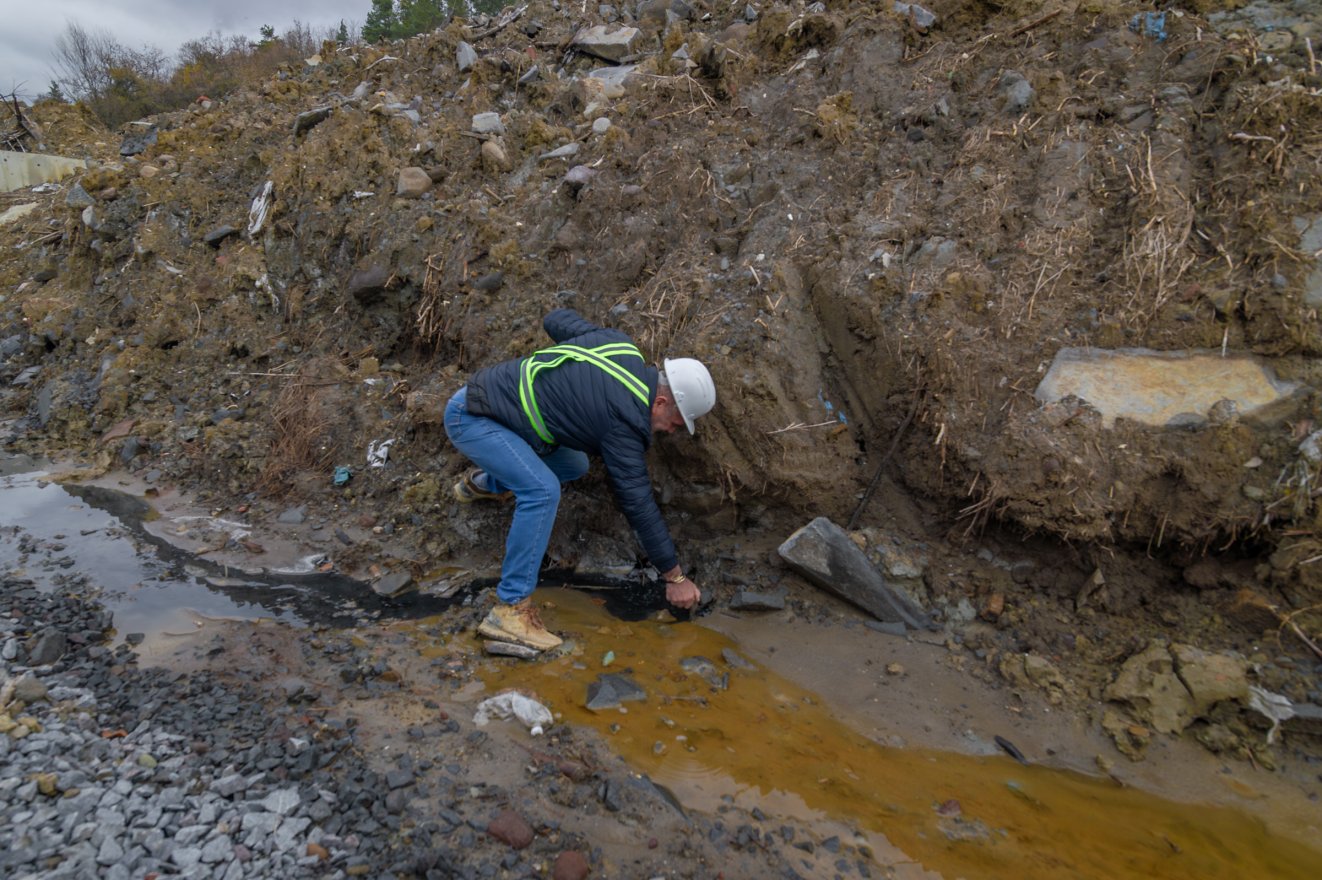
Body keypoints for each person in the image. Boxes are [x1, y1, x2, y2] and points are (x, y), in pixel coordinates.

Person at [443, 307, 717, 651]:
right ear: (661, 401)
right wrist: (674, 577)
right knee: (542, 492)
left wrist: (571, 376)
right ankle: (510, 611)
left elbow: (554, 320)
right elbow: (638, 502)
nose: (670, 432)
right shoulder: (625, 424)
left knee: (574, 465)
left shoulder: (620, 346)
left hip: (505, 416)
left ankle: (485, 483)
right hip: (473, 417)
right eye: (675, 424)